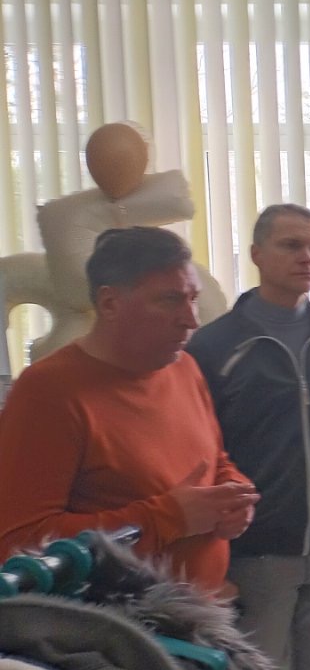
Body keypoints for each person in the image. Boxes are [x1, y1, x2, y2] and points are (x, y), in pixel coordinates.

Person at [0, 227, 258, 594]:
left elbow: (212, 460)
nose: (191, 319)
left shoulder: (184, 367)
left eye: (193, 298)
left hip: (200, 610)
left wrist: (233, 494)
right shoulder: (48, 391)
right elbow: (20, 543)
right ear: (109, 304)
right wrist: (168, 518)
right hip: (118, 621)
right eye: (169, 300)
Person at [186, 204, 310, 670]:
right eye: (291, 245)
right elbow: (197, 452)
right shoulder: (213, 345)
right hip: (258, 553)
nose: (306, 257)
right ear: (256, 254)